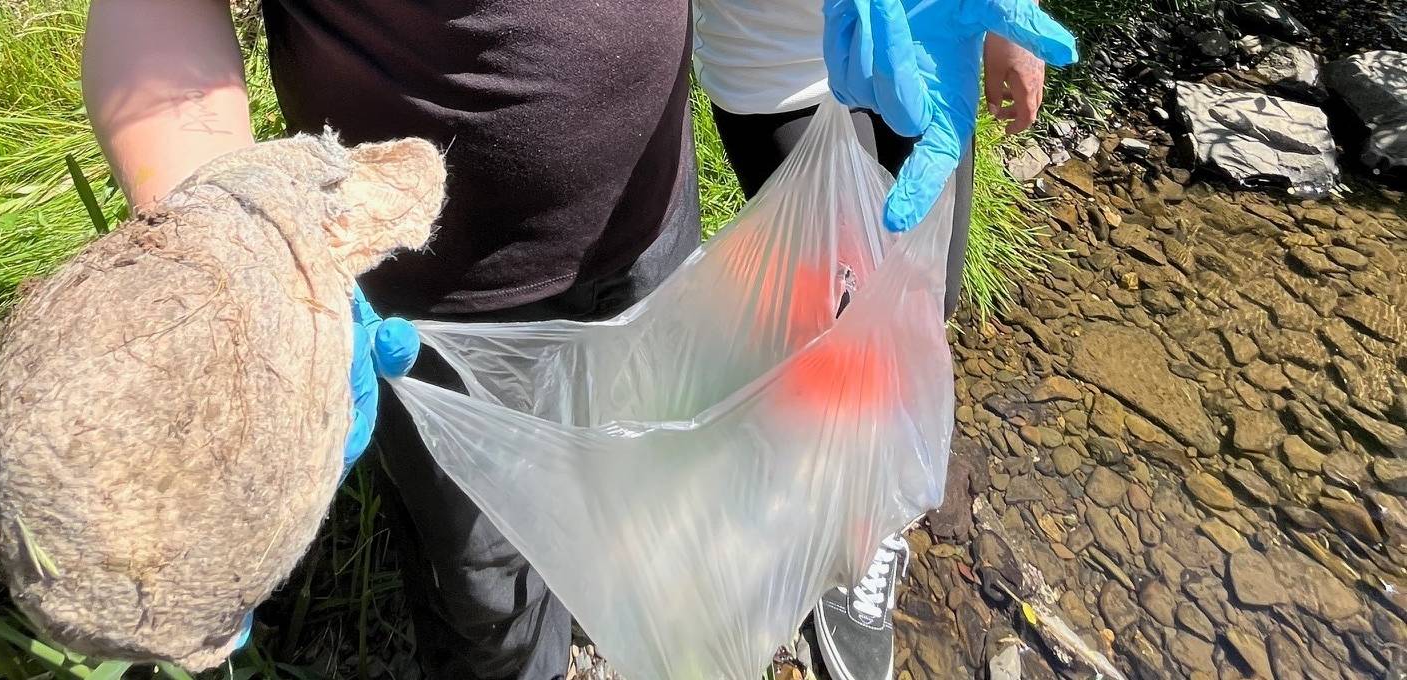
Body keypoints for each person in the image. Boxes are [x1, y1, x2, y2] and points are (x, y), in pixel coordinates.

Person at [81, 0, 1072, 678]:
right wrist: (241, 251)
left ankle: (615, 610)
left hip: (647, 222)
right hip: (421, 301)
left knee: (646, 469)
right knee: (487, 587)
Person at [691, 1, 1053, 677]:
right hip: (777, 69)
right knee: (833, 326)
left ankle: (869, 507)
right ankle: (845, 537)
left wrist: (1010, 19)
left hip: (927, 35)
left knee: (925, 298)